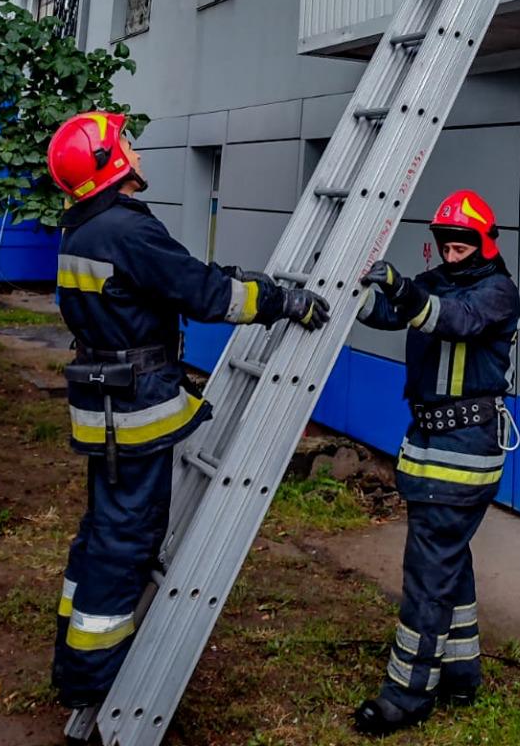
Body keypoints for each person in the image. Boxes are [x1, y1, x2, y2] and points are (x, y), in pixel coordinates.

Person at [45, 110, 330, 710]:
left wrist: (216, 277)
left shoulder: (83, 230)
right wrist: (283, 299)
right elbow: (207, 297)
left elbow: (153, 286)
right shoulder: (126, 229)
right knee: (128, 538)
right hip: (136, 412)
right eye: (126, 143)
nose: (137, 152)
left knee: (101, 529)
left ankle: (73, 654)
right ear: (108, 162)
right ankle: (96, 680)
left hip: (103, 409)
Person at [352, 190, 520, 735]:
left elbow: (453, 320)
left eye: (462, 243)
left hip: (463, 453)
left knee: (427, 573)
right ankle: (459, 672)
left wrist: (404, 289)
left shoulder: (497, 292)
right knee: (448, 557)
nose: (451, 252)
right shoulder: (439, 283)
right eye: (445, 243)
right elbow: (390, 311)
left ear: (484, 242)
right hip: (433, 447)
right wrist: (351, 291)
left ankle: (407, 694)